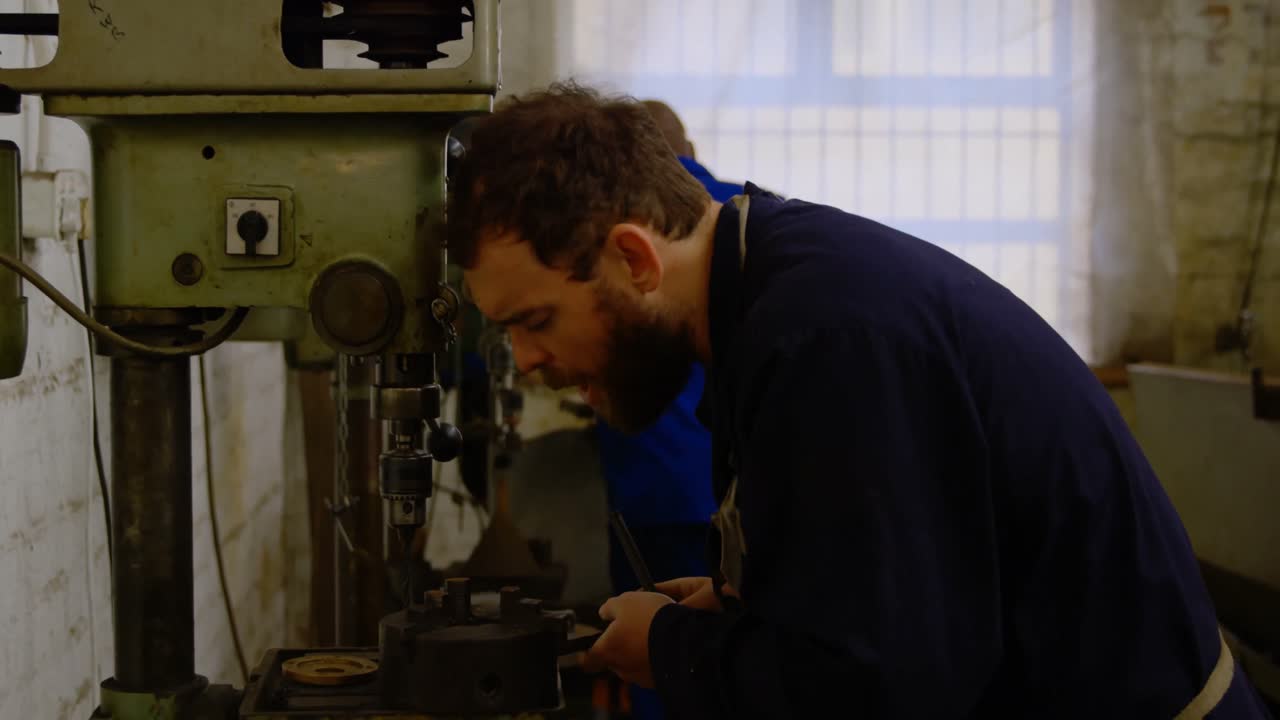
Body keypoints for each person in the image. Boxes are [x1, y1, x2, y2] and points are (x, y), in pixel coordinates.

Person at [446, 82, 1272, 719]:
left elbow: (881, 686)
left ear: (633, 258)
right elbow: (893, 589)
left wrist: (674, 650)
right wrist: (750, 604)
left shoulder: (826, 337)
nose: (525, 361)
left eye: (536, 320)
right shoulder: (771, 292)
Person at [589, 99, 742, 720]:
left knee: (649, 649)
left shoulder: (615, 223)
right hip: (728, 491)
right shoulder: (741, 214)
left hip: (648, 488)